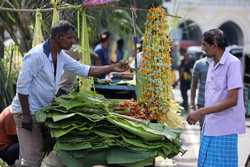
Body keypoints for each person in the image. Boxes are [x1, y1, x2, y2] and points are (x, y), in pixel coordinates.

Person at [11, 20, 129, 167]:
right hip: (25, 112)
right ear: (58, 37)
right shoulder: (35, 55)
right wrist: (27, 116)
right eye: (70, 38)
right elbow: (22, 88)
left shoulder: (61, 55)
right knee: (31, 160)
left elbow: (86, 70)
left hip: (43, 111)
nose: (73, 41)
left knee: (43, 152)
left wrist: (113, 67)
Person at [187, 29, 245, 167]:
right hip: (209, 126)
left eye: (204, 45)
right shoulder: (212, 63)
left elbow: (232, 99)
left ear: (214, 45)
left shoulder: (233, 63)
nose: (202, 48)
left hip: (224, 129)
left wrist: (201, 112)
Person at [190, 55, 209, 130]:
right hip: (202, 104)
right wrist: (192, 104)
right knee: (204, 129)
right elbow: (194, 85)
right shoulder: (199, 64)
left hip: (217, 105)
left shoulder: (221, 64)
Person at [178, 48, 192, 112]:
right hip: (184, 80)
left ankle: (185, 106)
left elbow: (182, 71)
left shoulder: (187, 62)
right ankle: (185, 105)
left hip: (185, 81)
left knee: (184, 94)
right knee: (184, 94)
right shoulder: (184, 61)